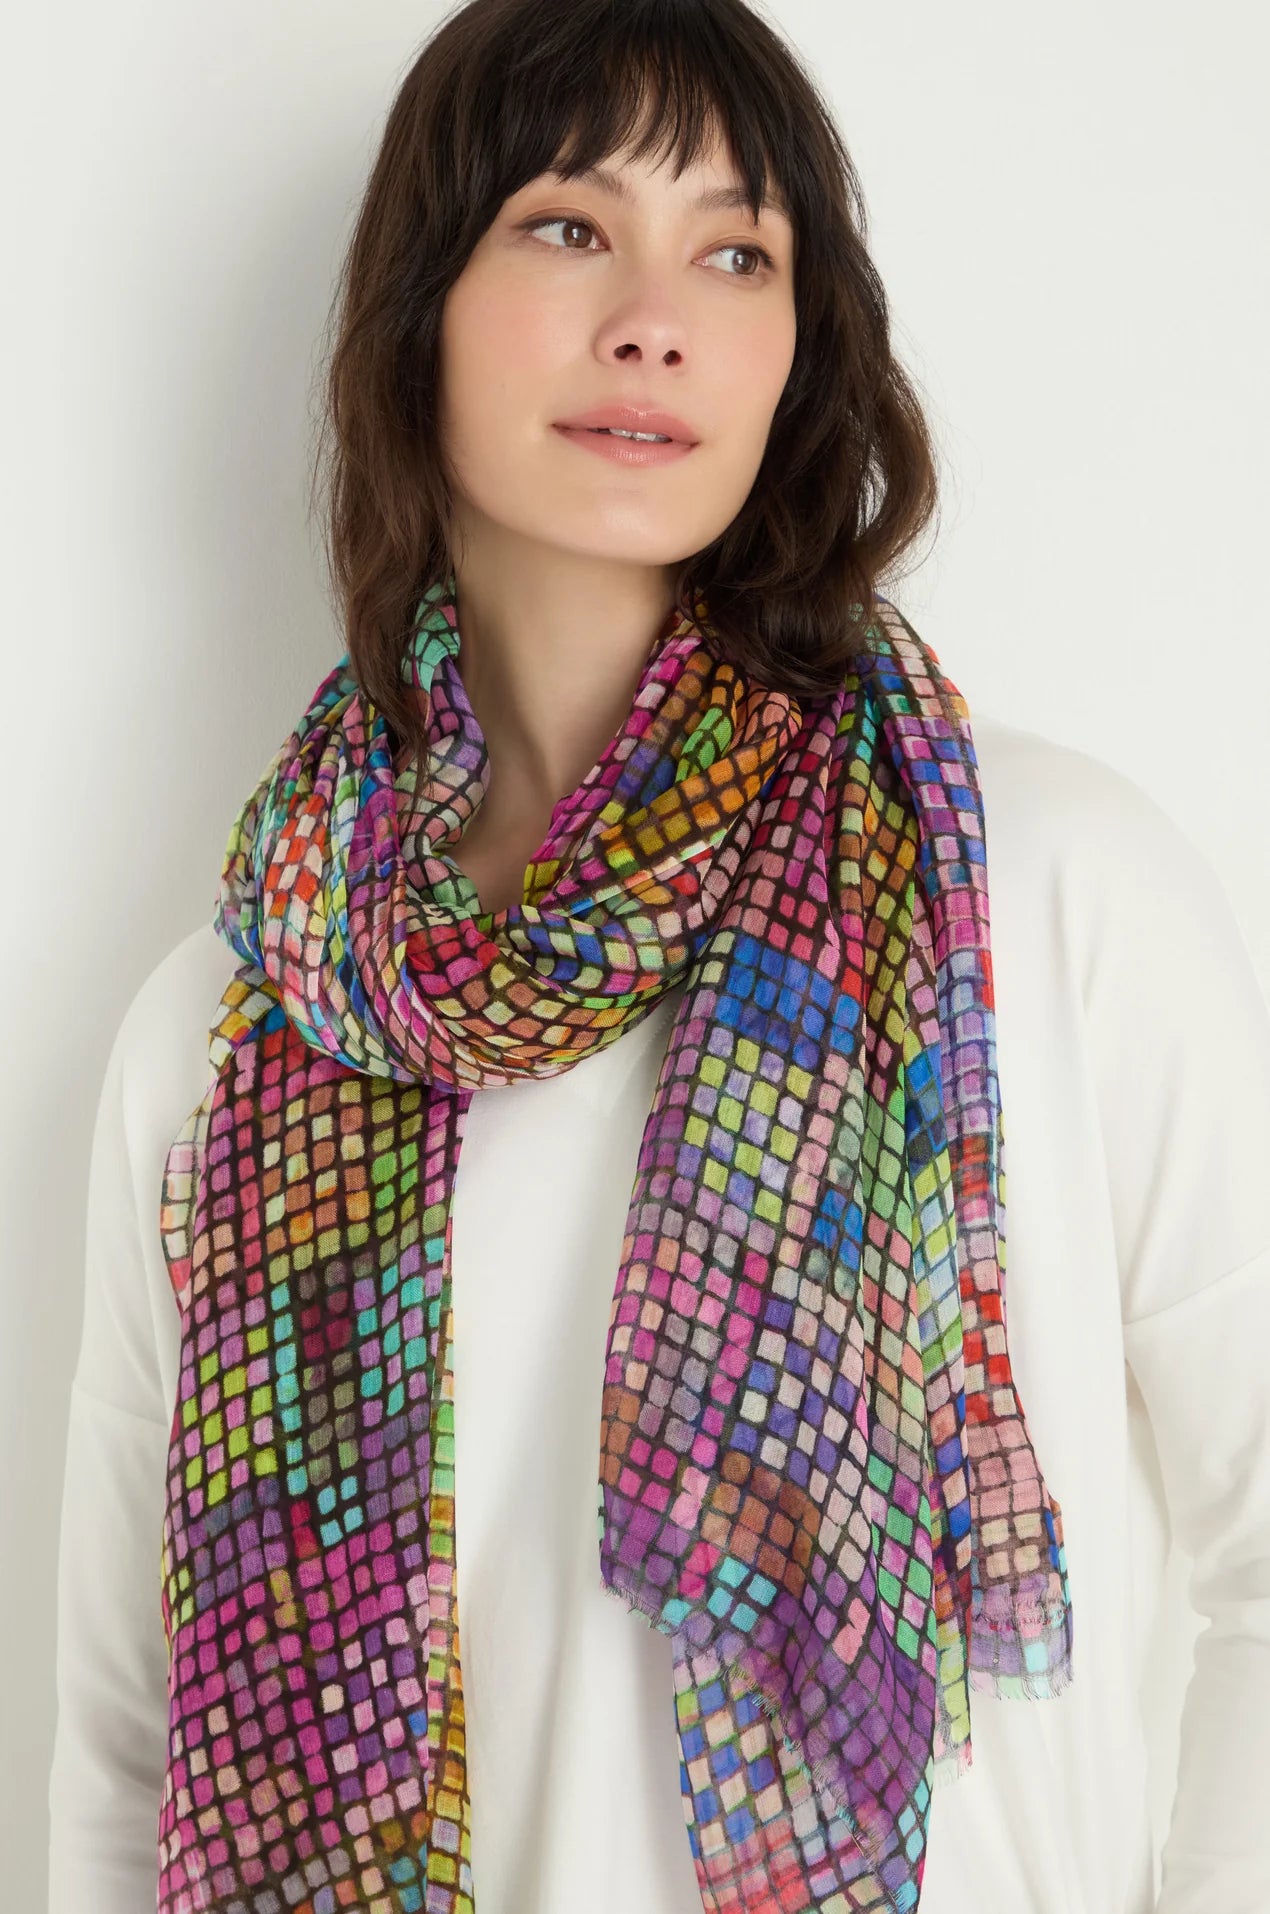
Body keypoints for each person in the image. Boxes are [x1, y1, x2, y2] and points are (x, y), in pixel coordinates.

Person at [46, 2, 1270, 1911]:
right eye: (563, 225)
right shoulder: (238, 1020)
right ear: (414, 313)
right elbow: (126, 1757)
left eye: (734, 250)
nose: (655, 315)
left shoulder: (1036, 884)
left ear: (799, 348)